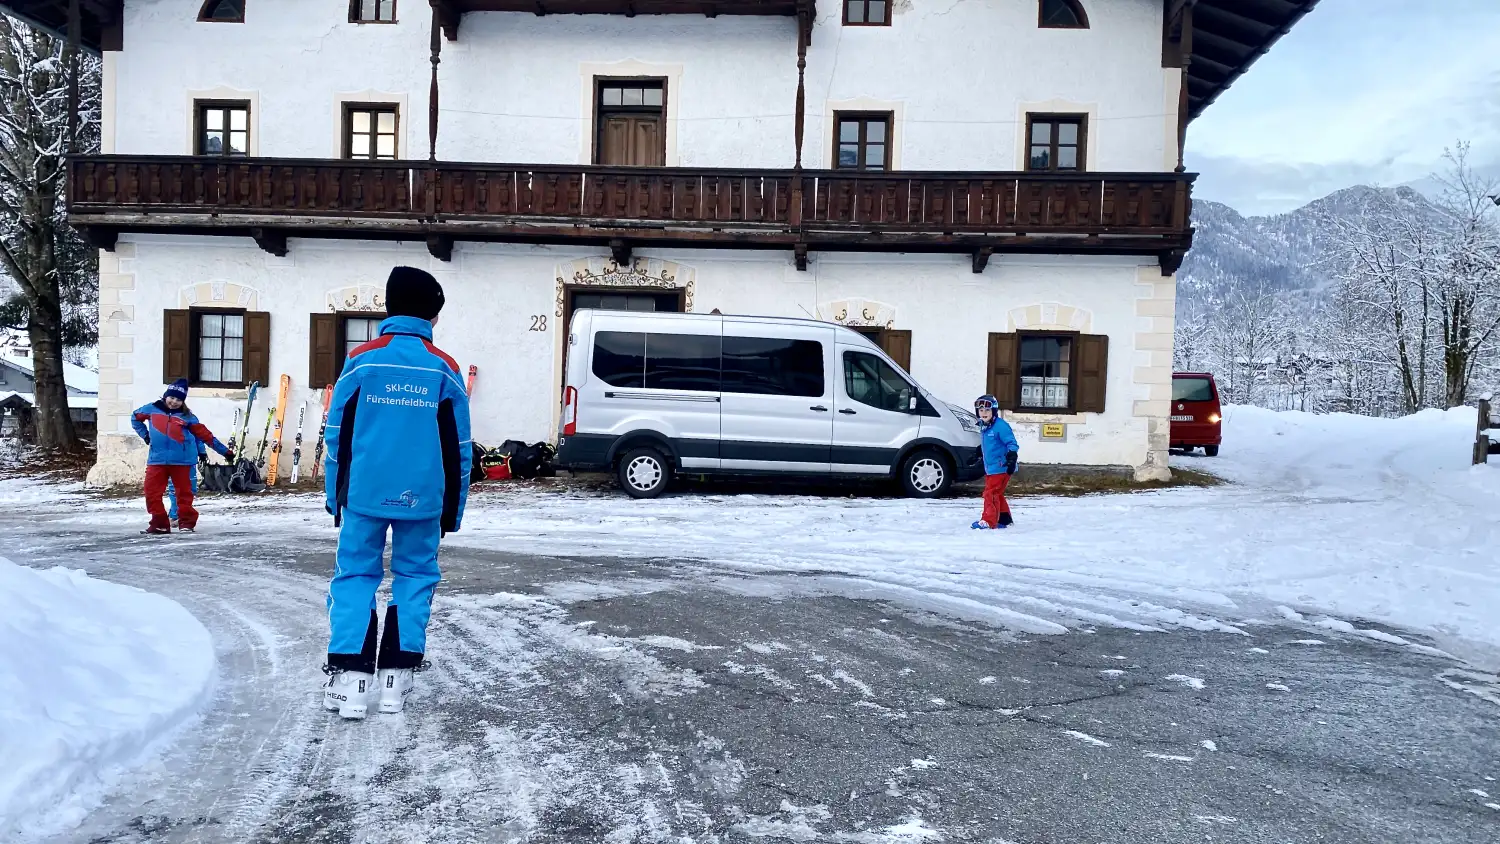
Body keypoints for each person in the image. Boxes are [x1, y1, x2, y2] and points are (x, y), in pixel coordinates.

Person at [321, 266, 472, 720]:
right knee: (415, 576)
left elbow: (336, 434)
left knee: (354, 576)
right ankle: (395, 679)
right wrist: (453, 510)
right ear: (434, 315)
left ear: (388, 307)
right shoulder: (445, 368)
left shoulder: (361, 360)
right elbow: (458, 448)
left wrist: (335, 494)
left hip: (364, 495)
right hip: (423, 498)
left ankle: (349, 679)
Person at [132, 379, 233, 534]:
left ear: (183, 401)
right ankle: (159, 523)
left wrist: (225, 452)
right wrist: (145, 436)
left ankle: (186, 523)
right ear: (166, 396)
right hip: (157, 460)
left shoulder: (187, 417)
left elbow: (206, 436)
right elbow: (135, 418)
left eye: (179, 399)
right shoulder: (151, 409)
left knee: (184, 494)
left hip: (183, 461)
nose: (174, 402)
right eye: (172, 397)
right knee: (151, 492)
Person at [971, 395, 1019, 530]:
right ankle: (1004, 519)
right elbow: (991, 443)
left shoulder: (1000, 426)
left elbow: (1011, 443)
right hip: (991, 467)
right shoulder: (985, 426)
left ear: (994, 411)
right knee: (996, 493)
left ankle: (989, 520)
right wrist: (979, 451)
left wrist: (1012, 457)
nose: (984, 413)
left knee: (990, 493)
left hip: (1001, 467)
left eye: (987, 410)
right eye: (981, 411)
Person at [167, 439, 206, 528]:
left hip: (185, 457)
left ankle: (178, 514)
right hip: (176, 458)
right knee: (177, 488)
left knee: (186, 488)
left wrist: (202, 451)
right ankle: (175, 515)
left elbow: (197, 433)